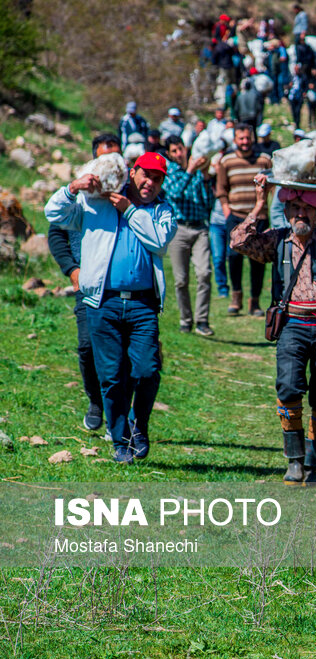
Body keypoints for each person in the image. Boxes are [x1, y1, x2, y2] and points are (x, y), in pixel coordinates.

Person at [231, 174, 316, 485]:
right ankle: (294, 461)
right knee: (289, 387)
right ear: (286, 211)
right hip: (293, 325)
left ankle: (313, 465)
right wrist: (259, 202)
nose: (300, 214)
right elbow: (238, 240)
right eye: (294, 208)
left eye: (307, 208)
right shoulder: (277, 240)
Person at [45, 152, 176, 463]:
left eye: (157, 179)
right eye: (146, 175)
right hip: (103, 301)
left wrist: (129, 211)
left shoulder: (162, 210)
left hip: (143, 304)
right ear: (132, 173)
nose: (150, 183)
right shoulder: (95, 204)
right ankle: (120, 442)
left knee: (147, 370)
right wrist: (72, 188)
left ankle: (138, 426)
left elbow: (159, 241)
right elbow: (54, 214)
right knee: (112, 375)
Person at [46, 134, 122, 435]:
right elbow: (56, 232)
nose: (110, 165)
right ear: (93, 161)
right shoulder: (80, 195)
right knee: (88, 346)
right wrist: (72, 271)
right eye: (104, 158)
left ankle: (118, 413)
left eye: (116, 158)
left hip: (119, 285)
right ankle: (95, 402)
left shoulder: (125, 194)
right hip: (87, 285)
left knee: (121, 351)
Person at [216, 123, 272, 316]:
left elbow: (272, 184)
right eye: (241, 138)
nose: (245, 142)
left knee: (258, 259)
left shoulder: (264, 160)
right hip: (236, 215)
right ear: (235, 140)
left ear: (253, 138)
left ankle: (254, 302)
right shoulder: (227, 161)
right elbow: (221, 188)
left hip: (260, 217)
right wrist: (226, 211)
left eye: (248, 138)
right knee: (233, 257)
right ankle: (236, 297)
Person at [163, 135, 214, 336]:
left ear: (186, 148)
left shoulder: (199, 173)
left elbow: (208, 202)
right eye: (174, 151)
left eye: (181, 149)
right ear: (169, 154)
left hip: (200, 228)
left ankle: (202, 320)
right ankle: (186, 320)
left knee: (204, 273)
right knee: (181, 280)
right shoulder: (170, 172)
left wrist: (207, 178)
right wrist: (190, 171)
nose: (179, 154)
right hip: (179, 229)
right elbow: (174, 193)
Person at [286, 64, 305, 129]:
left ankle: (298, 124)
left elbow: (305, 86)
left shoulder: (302, 77)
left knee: (298, 111)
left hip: (299, 96)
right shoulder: (291, 77)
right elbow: (286, 85)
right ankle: (295, 122)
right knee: (293, 111)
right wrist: (289, 85)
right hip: (292, 96)